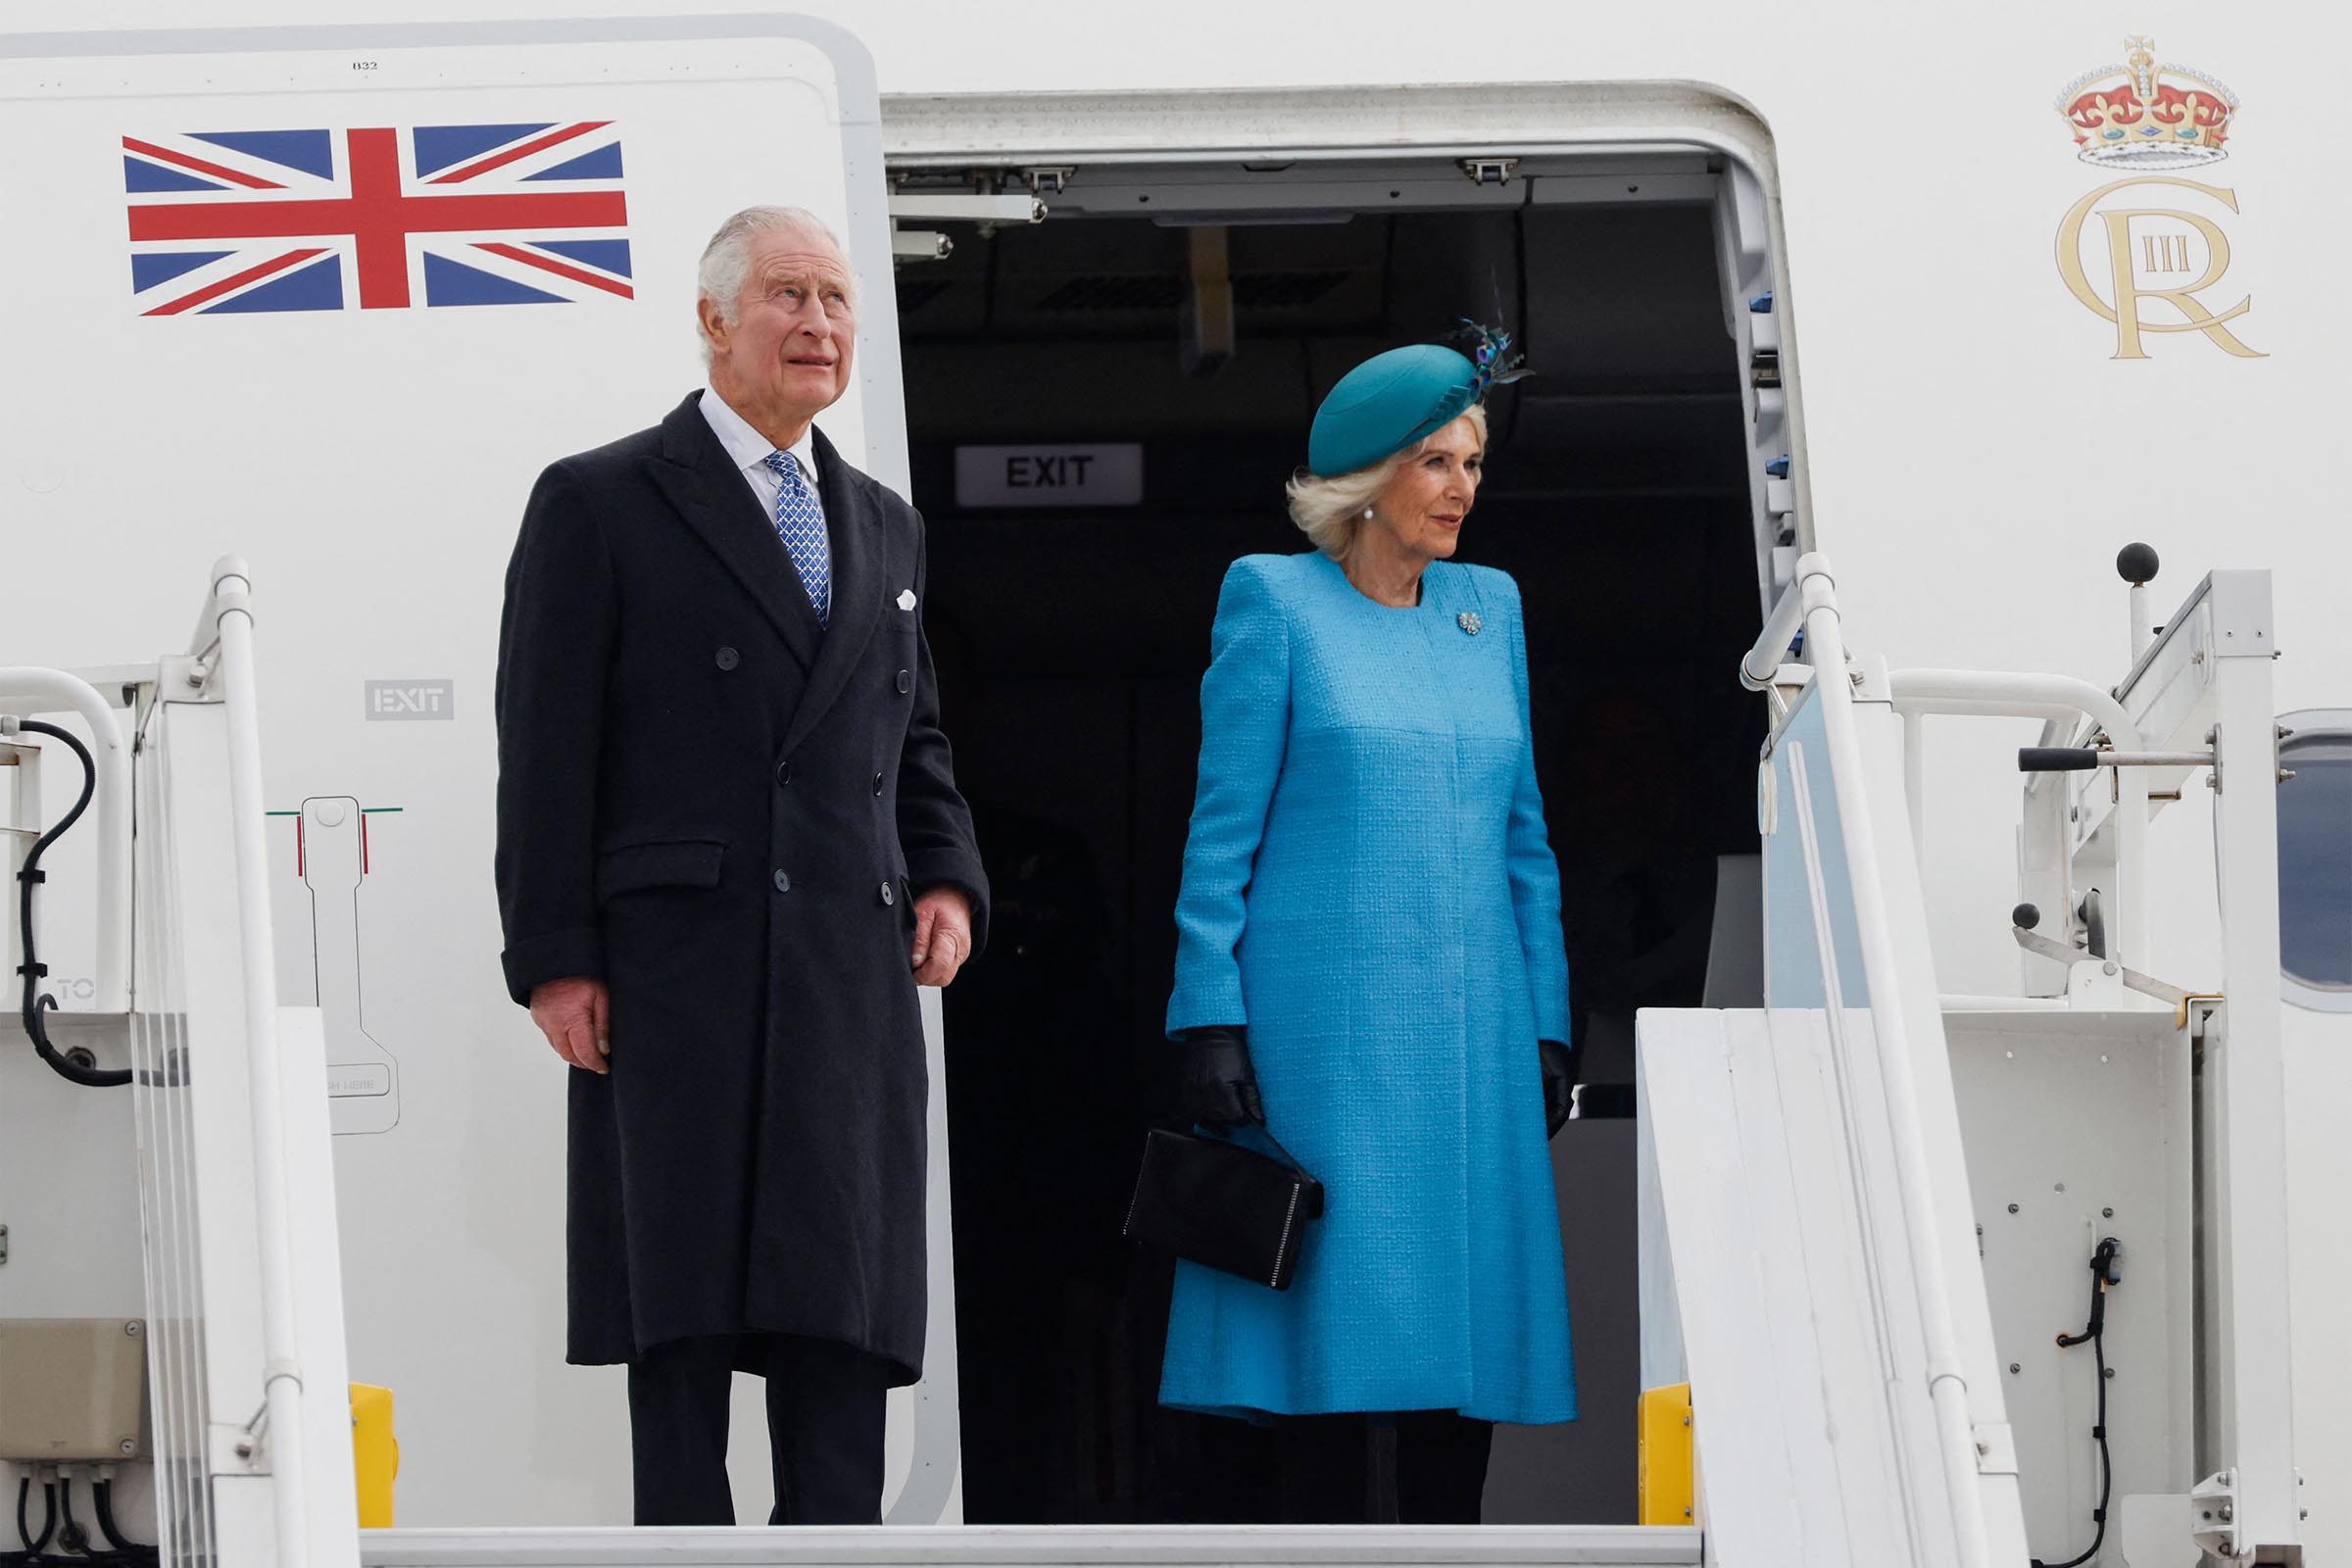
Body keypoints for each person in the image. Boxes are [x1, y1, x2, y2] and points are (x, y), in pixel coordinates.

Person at [492, 205, 988, 1527]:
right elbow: (543, 747)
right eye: (788, 295)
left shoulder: (882, 523)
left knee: (841, 1330)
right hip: (677, 979)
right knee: (684, 1335)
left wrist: (946, 877)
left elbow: (913, 735)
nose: (819, 323)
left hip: (845, 977)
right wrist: (555, 957)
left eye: (837, 299)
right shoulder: (601, 499)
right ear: (714, 321)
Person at [1159, 330, 1578, 1524]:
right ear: (1368, 476)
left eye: (1474, 462)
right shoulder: (1275, 599)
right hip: (1324, 1044)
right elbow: (1221, 834)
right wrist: (1209, 1014)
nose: (1462, 488)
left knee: (1463, 1349)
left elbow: (1525, 838)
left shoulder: (1490, 608)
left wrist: (1548, 1025)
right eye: (1437, 462)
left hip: (1475, 1037)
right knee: (1331, 1354)